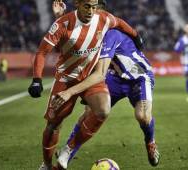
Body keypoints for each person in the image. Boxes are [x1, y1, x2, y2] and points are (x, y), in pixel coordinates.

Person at [27, 0, 141, 169]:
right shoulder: (62, 24)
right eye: (87, 6)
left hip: (90, 78)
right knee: (53, 125)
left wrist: (136, 36)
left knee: (103, 110)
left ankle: (68, 150)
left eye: (94, 7)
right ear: (77, 4)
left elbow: (121, 23)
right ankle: (46, 164)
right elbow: (42, 52)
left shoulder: (103, 19)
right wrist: (37, 80)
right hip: (66, 79)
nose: (91, 11)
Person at [51, 0, 160, 168]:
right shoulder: (91, 33)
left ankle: (150, 141)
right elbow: (73, 39)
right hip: (114, 77)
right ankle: (68, 151)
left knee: (143, 117)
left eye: (94, 12)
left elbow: (99, 71)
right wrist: (60, 17)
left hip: (138, 76)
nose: (90, 17)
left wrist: (71, 91)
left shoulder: (110, 35)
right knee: (90, 111)